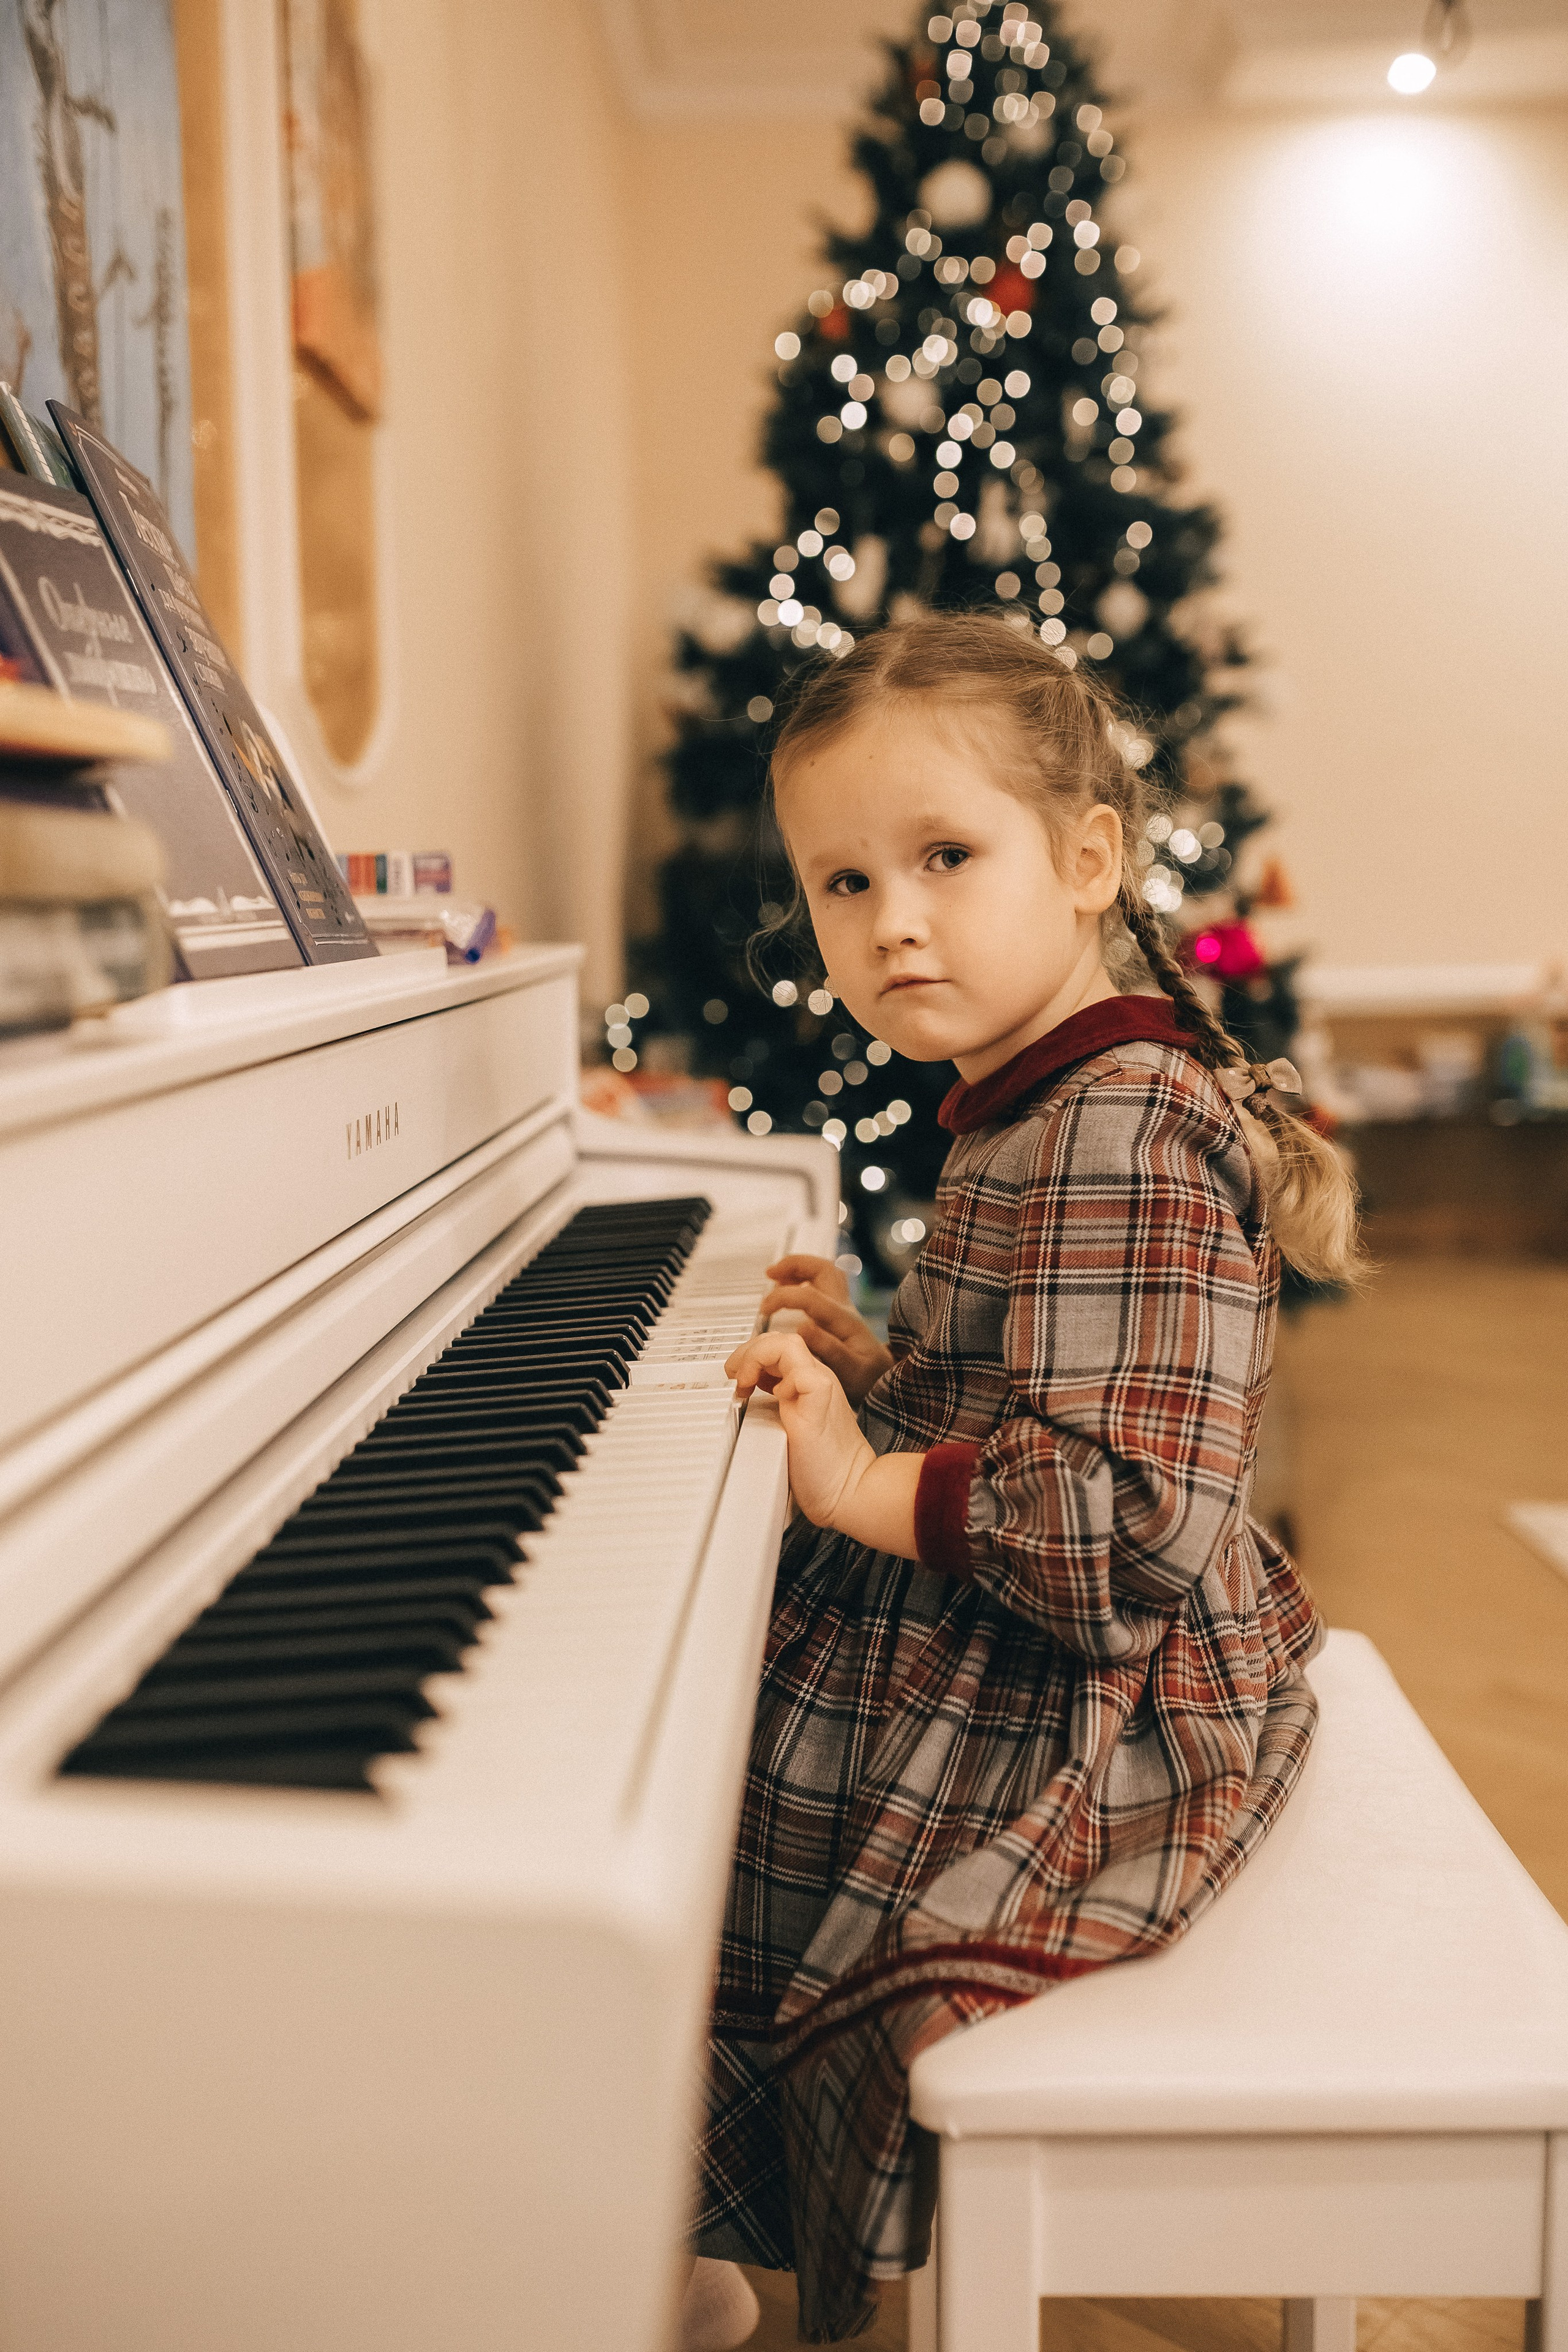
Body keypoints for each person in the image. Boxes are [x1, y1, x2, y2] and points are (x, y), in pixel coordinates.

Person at [677, 614, 1360, 2348]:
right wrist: (886, 1376)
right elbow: (1035, 1382)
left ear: (1087, 861)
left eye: (943, 857)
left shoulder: (1119, 1127)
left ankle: (661, 2218)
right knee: (710, 1756)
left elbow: (1124, 1521)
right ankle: (652, 2202)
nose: (889, 918)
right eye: (841, 882)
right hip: (1048, 1602)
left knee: (736, 1811)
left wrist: (850, 1483)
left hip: (1107, 1669)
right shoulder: (1034, 1090)